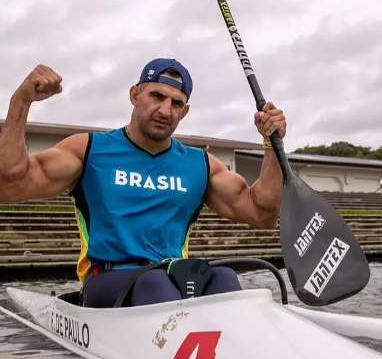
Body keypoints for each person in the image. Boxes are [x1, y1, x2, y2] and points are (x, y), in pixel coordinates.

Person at [0, 60, 286, 307]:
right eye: (156, 96)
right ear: (135, 95)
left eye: (176, 103)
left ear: (184, 112)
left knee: (223, 279)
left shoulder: (200, 164)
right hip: (107, 281)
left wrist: (272, 145)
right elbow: (9, 185)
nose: (165, 110)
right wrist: (21, 101)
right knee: (154, 283)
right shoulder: (88, 149)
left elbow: (261, 213)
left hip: (171, 277)